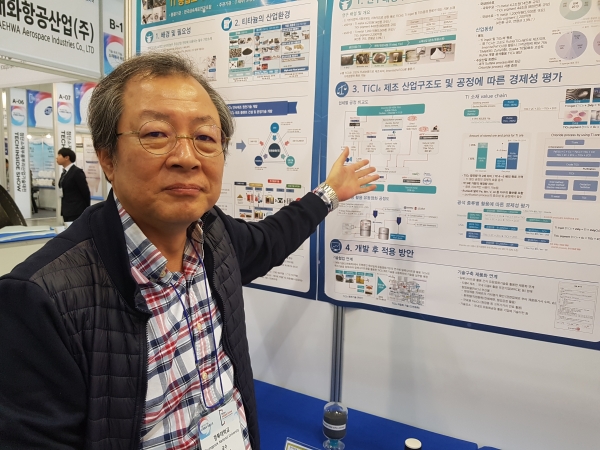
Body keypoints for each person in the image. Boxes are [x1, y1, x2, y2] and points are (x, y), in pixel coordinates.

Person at [0, 53, 378, 449]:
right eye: (156, 134)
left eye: (205, 138)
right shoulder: (39, 301)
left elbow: (271, 240)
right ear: (107, 157)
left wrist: (330, 193)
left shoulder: (214, 234)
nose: (186, 157)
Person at [56, 147, 91, 222]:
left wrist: (87, 210)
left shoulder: (77, 172)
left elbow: (85, 192)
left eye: (59, 155)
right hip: (66, 209)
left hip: (76, 210)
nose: (57, 158)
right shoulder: (64, 173)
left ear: (67, 158)